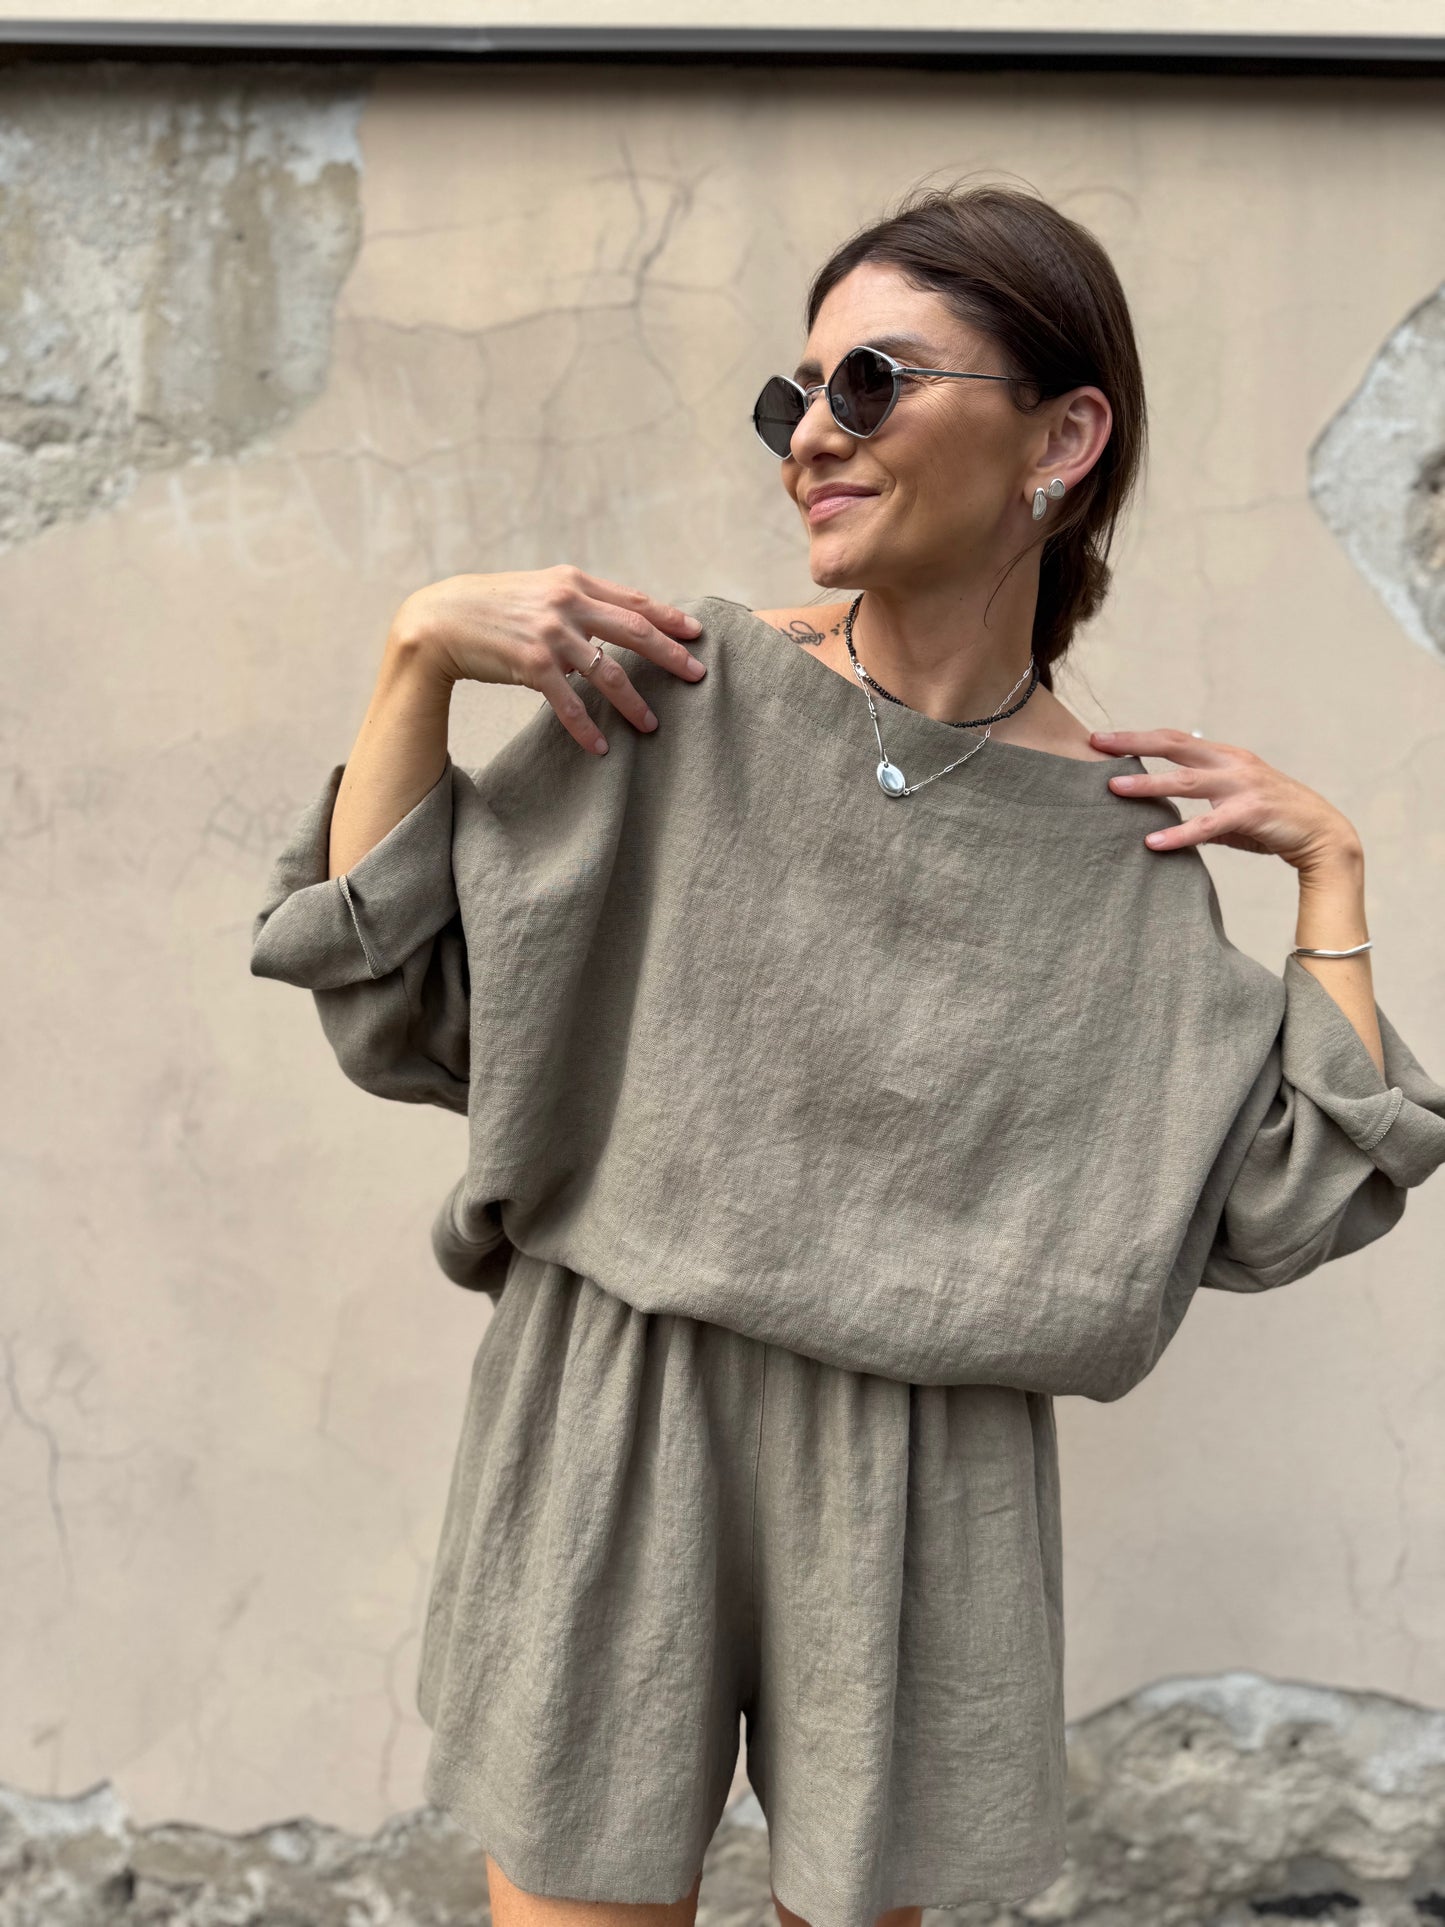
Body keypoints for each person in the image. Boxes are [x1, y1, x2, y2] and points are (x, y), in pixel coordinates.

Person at [249, 183, 1445, 1927]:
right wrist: (415, 657)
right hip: (618, 1413)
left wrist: (1330, 871)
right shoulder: (677, 696)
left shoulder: (1120, 844)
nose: (812, 434)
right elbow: (403, 999)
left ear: (1062, 437)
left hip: (921, 1479)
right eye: (793, 396)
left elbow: (1281, 1202)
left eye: (869, 382)